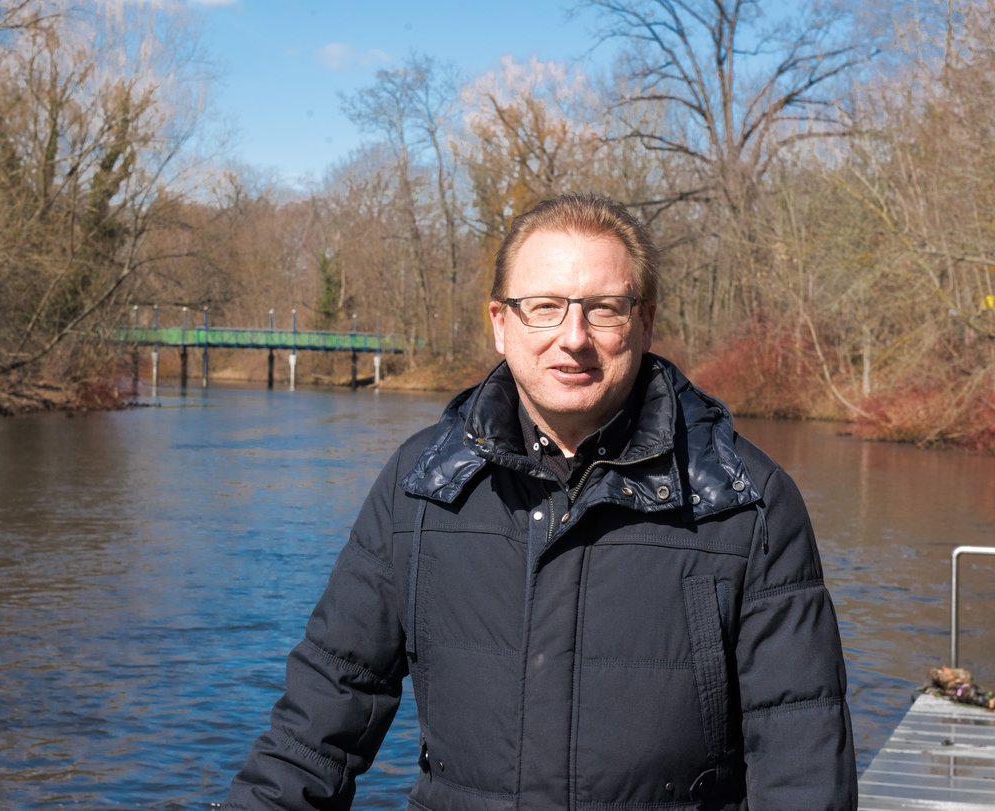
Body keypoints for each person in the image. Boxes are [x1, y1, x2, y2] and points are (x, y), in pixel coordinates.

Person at [225, 194, 857, 810]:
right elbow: (319, 719)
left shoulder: (744, 502)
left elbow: (801, 757)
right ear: (501, 323)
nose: (572, 337)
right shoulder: (421, 486)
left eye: (604, 308)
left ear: (645, 320)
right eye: (545, 307)